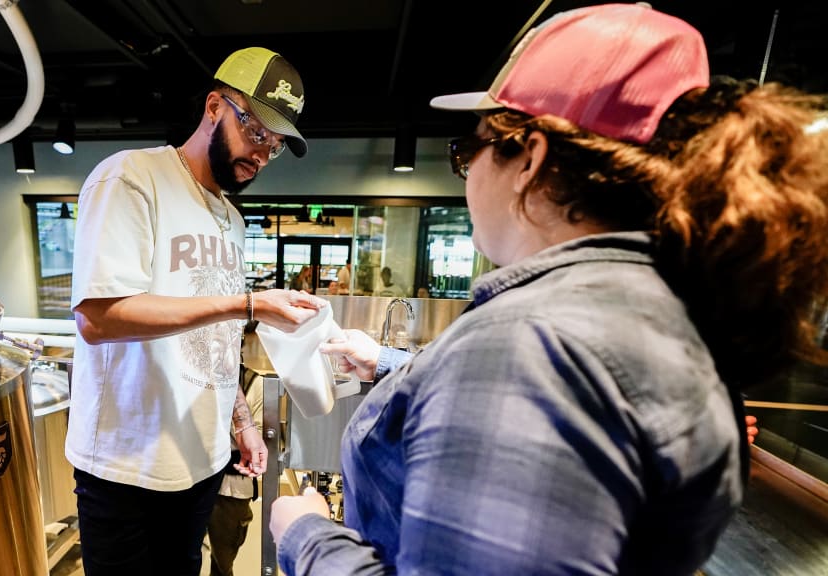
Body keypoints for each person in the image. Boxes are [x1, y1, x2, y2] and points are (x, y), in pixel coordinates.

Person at [270, 4, 828, 575]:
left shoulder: (525, 348)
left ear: (529, 160)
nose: (468, 173)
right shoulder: (660, 309)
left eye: (469, 151)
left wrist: (306, 534)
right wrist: (388, 362)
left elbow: (531, 375)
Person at [65, 46, 324, 576]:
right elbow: (99, 318)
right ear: (214, 106)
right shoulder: (132, 178)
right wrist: (250, 302)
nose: (261, 154)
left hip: (202, 462)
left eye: (274, 147)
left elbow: (219, 342)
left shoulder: (233, 219)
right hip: (127, 468)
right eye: (256, 133)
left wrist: (240, 423)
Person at [206, 364, 265, 576]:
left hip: (232, 488)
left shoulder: (253, 382)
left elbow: (256, 438)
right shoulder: (191, 375)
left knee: (223, 562)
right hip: (192, 478)